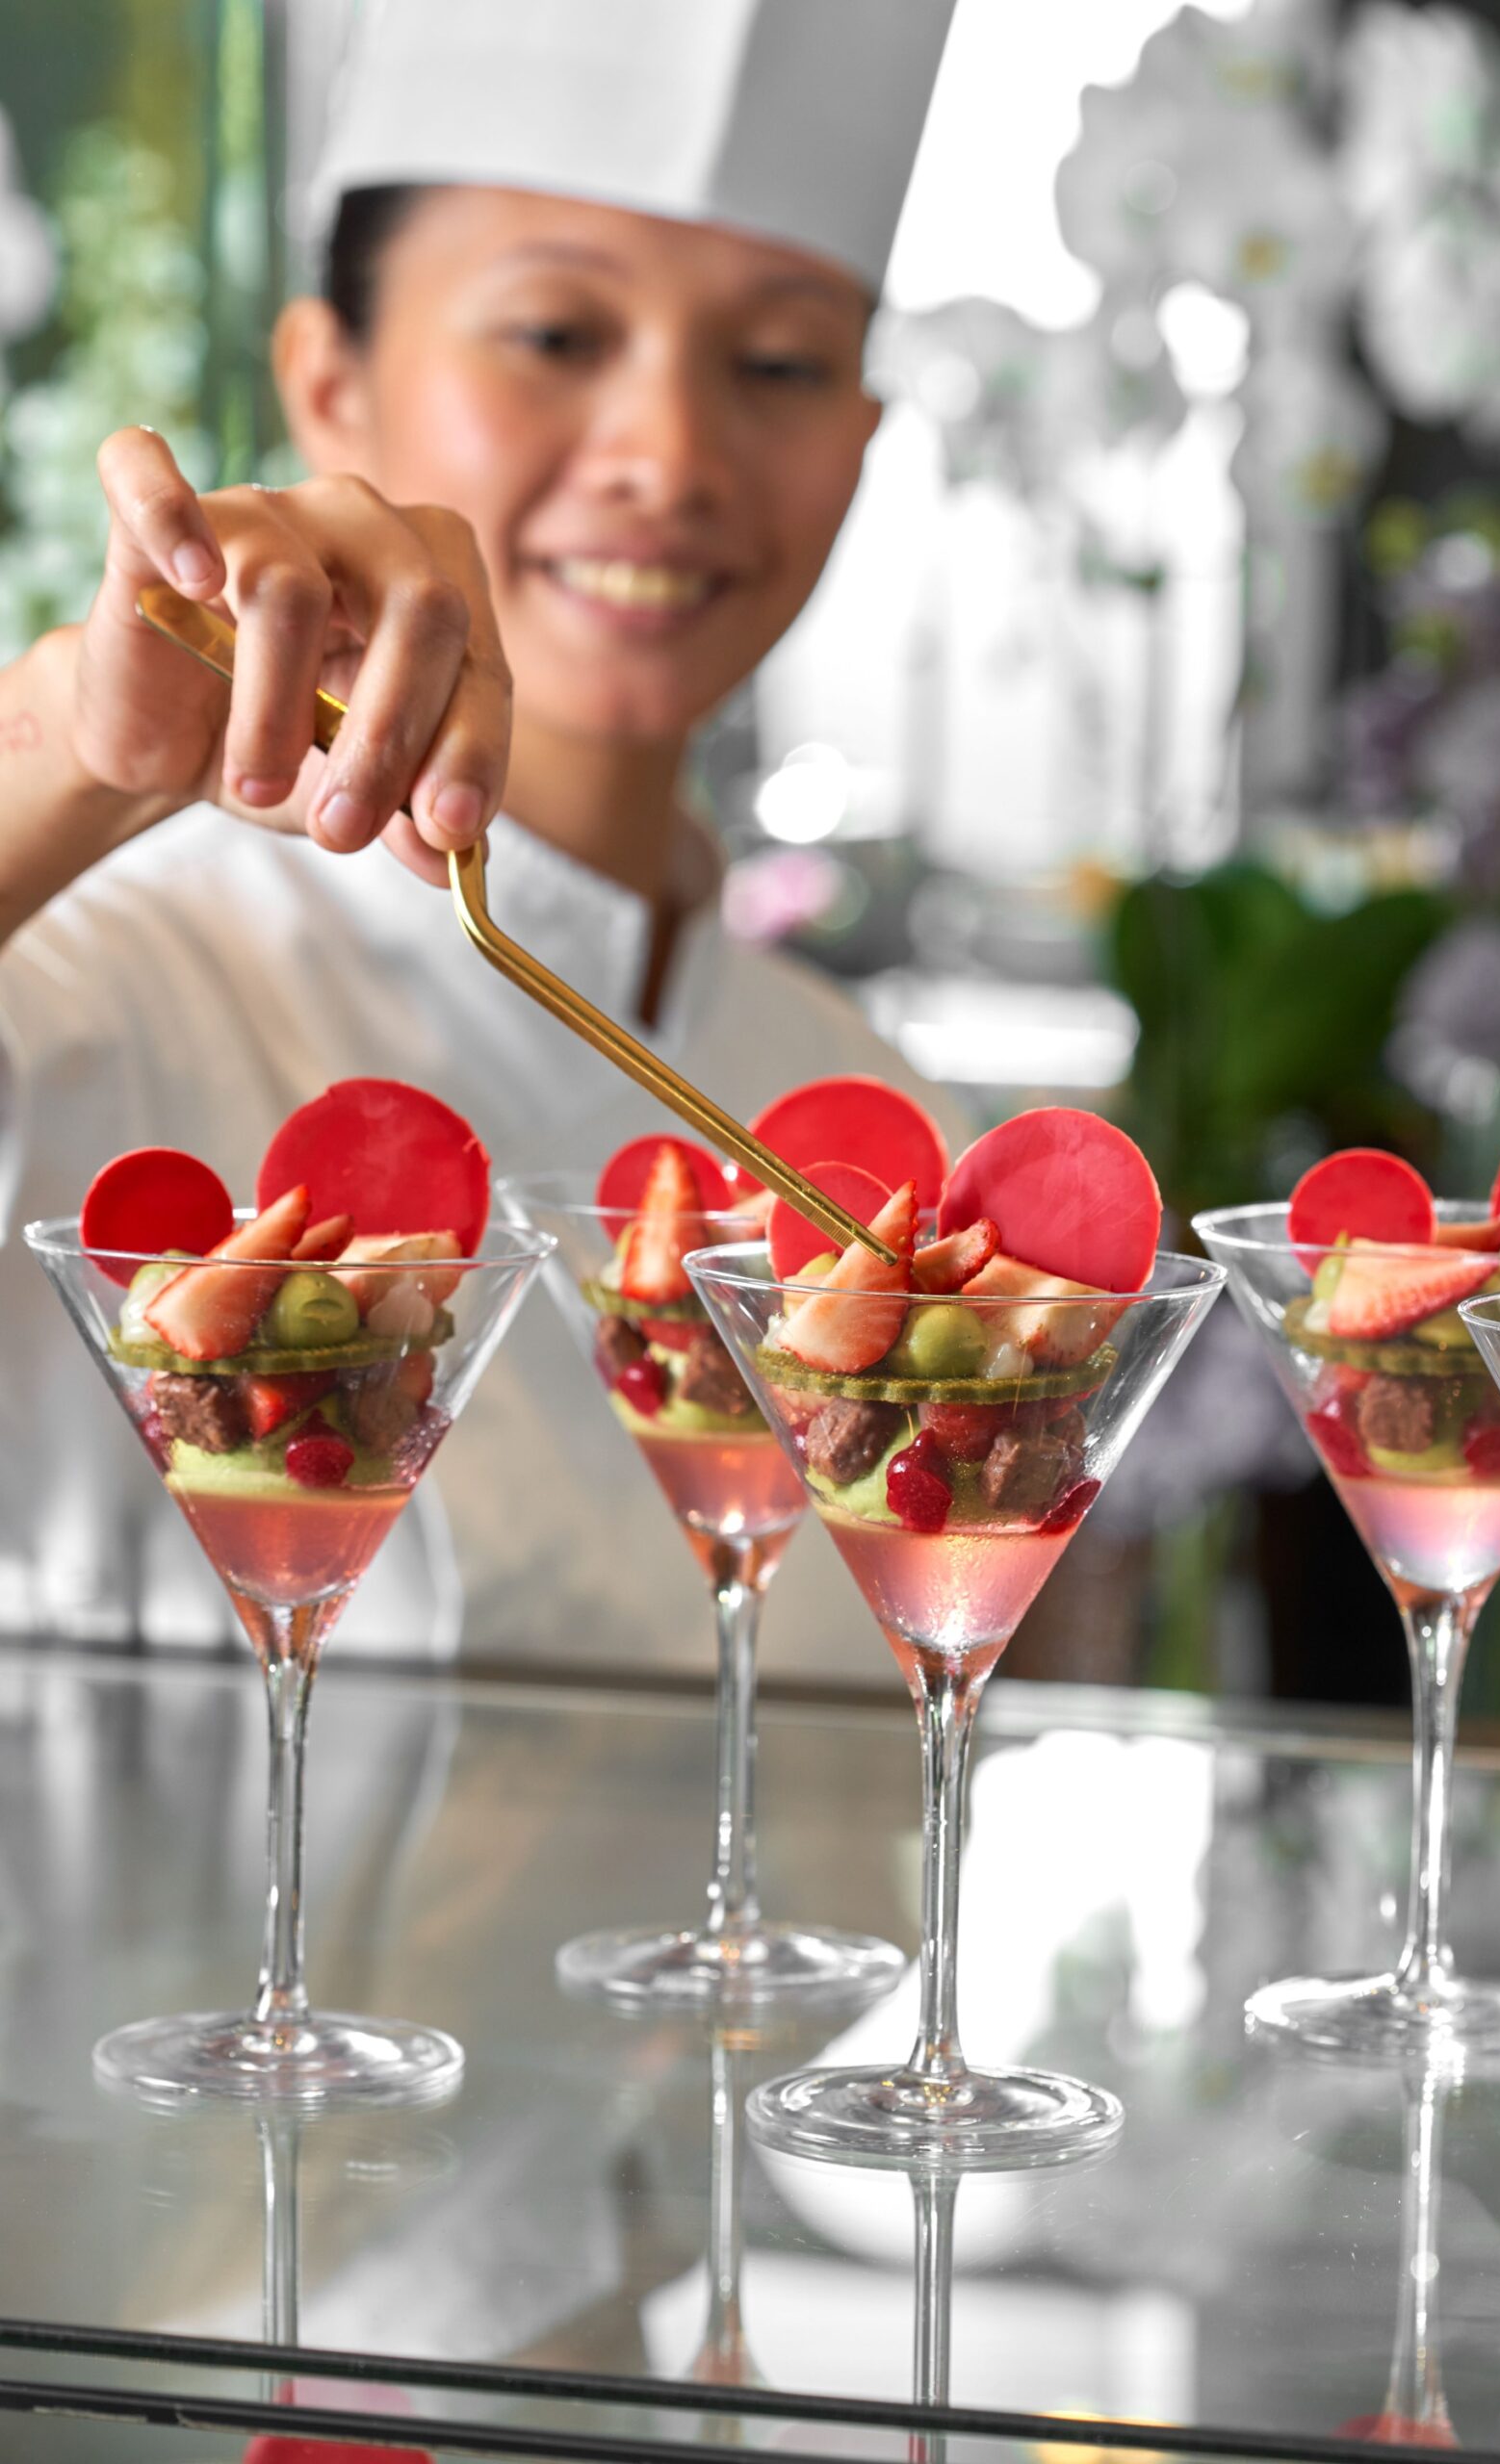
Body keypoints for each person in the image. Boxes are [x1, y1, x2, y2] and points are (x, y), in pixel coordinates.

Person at [0, 0, 961, 1674]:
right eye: (554, 336)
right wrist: (71, 755)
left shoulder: (878, 1141)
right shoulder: (91, 980)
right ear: (330, 385)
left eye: (784, 363)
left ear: (863, 444)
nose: (668, 456)